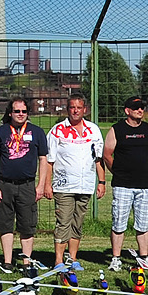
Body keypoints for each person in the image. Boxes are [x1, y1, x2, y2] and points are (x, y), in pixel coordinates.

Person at [0, 98, 49, 268]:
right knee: (5, 224)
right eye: (17, 111)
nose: (20, 114)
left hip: (27, 185)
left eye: (23, 111)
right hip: (5, 184)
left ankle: (26, 262)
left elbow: (43, 159)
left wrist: (41, 185)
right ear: (10, 113)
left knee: (27, 224)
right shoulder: (0, 132)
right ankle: (7, 261)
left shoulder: (37, 132)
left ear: (28, 113)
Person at [48, 93, 105, 271]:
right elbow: (49, 160)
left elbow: (98, 158)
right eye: (72, 107)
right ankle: (58, 260)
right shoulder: (57, 130)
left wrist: (102, 182)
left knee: (77, 222)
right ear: (67, 109)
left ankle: (72, 258)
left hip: (85, 185)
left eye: (79, 108)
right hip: (64, 185)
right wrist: (47, 184)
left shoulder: (93, 130)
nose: (75, 111)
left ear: (84, 109)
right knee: (63, 221)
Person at [104, 94, 148, 268]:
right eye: (135, 108)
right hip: (122, 185)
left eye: (142, 107)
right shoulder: (117, 129)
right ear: (127, 111)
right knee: (119, 222)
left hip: (144, 185)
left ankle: (144, 257)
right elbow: (107, 154)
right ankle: (116, 258)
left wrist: (139, 168)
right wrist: (118, 172)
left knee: (143, 223)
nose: (140, 110)